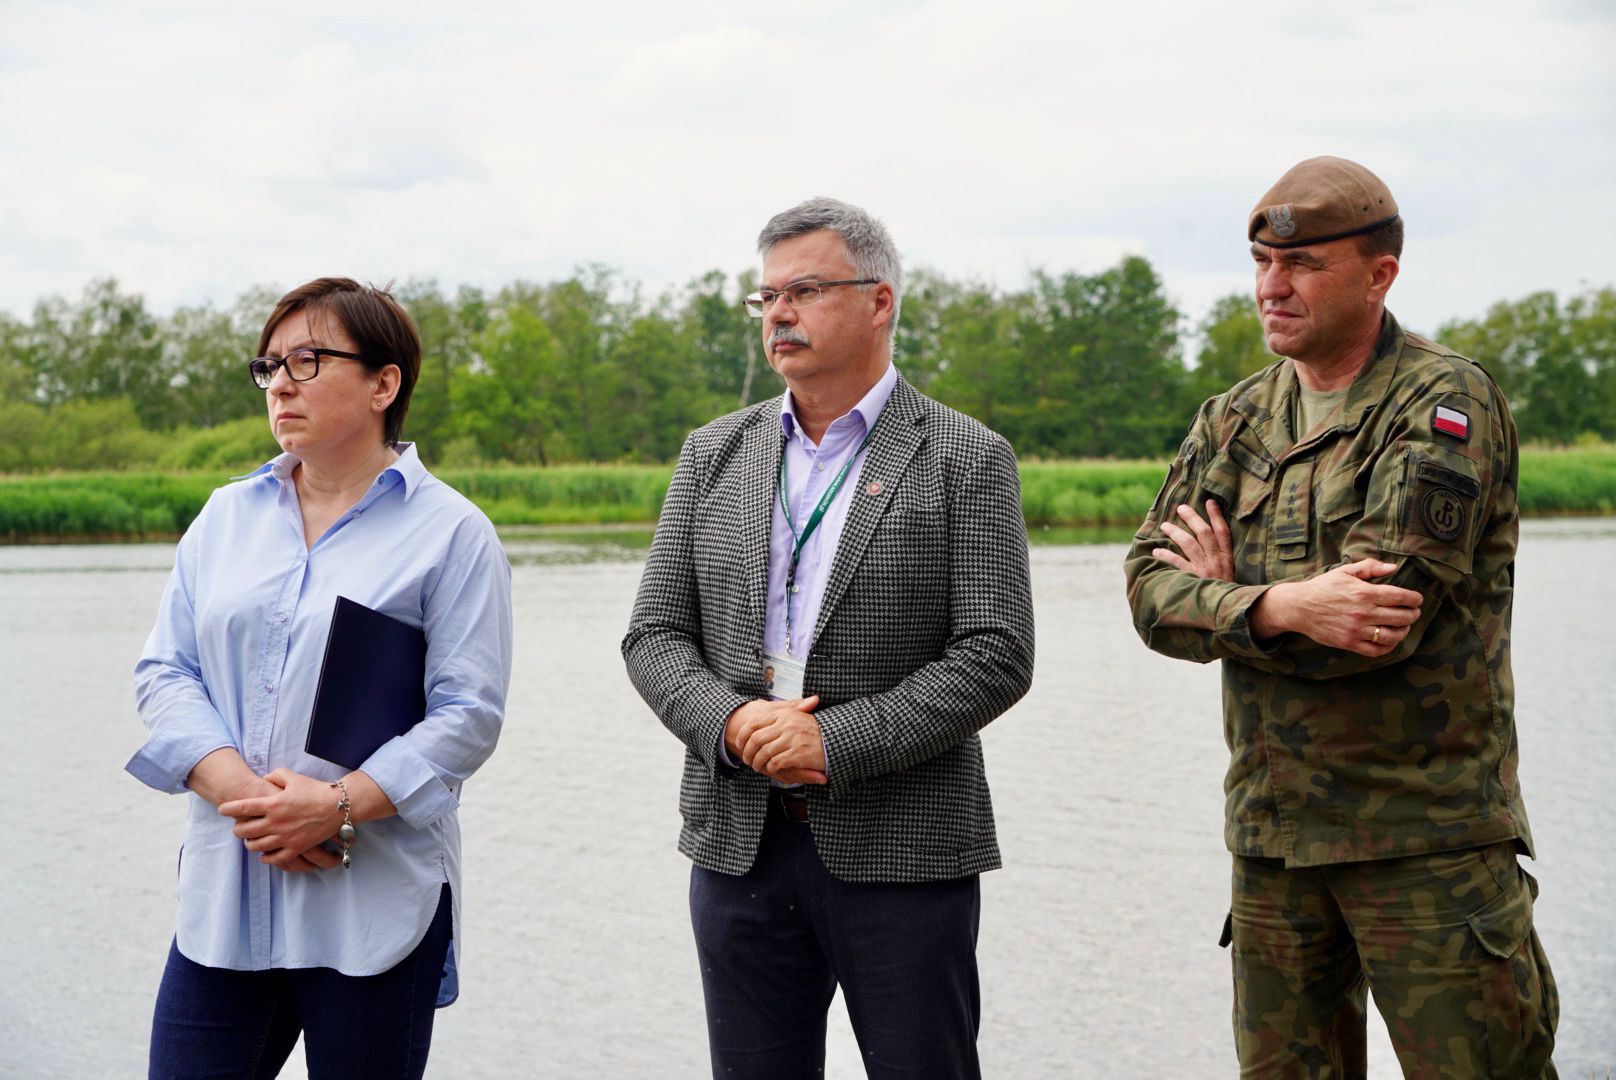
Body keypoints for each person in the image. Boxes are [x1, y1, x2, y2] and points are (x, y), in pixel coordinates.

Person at [1124, 158, 1557, 1077]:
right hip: (1275, 841)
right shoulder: (1235, 418)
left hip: (1424, 841)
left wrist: (1227, 599)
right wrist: (1285, 604)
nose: (1271, 287)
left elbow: (1371, 625)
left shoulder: (1442, 403)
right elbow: (1146, 596)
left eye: (1304, 266)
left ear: (1380, 274)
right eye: (1261, 262)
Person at [622, 197, 1035, 1079]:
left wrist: (830, 740)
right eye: (765, 297)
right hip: (738, 842)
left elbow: (997, 651)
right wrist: (733, 726)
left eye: (804, 290)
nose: (778, 314)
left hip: (905, 846)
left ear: (879, 301)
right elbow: (654, 635)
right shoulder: (711, 453)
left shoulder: (968, 455)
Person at [127, 278, 513, 1079]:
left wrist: (334, 806)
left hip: (371, 904)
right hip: (228, 897)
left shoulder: (452, 534)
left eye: (307, 360)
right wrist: (253, 800)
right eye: (269, 365)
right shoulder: (224, 517)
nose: (281, 384)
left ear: (384, 383)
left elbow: (467, 714)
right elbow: (166, 670)